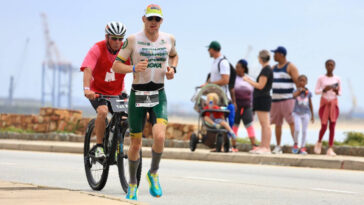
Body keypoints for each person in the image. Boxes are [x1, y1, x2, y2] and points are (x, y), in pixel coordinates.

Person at [112, 4, 178, 200]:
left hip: (158, 93)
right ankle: (132, 185)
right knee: (135, 144)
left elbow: (174, 56)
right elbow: (116, 65)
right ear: (143, 19)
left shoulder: (169, 39)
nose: (153, 23)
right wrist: (133, 68)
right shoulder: (133, 40)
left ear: (161, 21)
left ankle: (153, 173)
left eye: (157, 19)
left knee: (159, 136)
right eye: (150, 19)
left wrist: (172, 70)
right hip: (138, 94)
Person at [81, 21, 128, 158]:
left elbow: (136, 69)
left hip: (117, 92)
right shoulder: (97, 48)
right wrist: (86, 89)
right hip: (98, 92)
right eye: (114, 38)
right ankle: (100, 146)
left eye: (120, 39)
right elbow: (88, 68)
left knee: (125, 118)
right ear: (107, 37)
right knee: (103, 112)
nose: (117, 42)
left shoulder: (126, 50)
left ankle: (115, 142)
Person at [204, 41, 235, 145]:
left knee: (222, 120)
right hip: (214, 97)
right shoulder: (215, 62)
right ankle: (218, 145)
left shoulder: (223, 62)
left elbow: (225, 80)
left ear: (213, 49)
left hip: (222, 98)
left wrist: (211, 84)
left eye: (209, 49)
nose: (208, 51)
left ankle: (225, 145)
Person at [270, 46, 299, 154]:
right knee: (277, 124)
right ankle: (278, 146)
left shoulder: (290, 67)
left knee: (292, 123)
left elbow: (298, 83)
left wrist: (297, 96)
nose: (273, 55)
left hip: (288, 100)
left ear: (281, 54)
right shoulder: (273, 68)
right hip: (276, 100)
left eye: (275, 53)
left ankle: (296, 145)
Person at [244, 50, 273, 154]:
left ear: (260, 58)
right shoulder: (266, 69)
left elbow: (260, 86)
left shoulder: (266, 69)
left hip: (263, 99)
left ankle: (266, 147)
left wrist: (248, 80)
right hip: (261, 99)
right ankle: (262, 146)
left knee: (265, 124)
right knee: (263, 123)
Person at [314, 59, 341, 156]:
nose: (330, 67)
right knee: (324, 125)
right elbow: (316, 91)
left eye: (331, 65)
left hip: (333, 103)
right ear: (325, 66)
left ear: (334, 67)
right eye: (328, 65)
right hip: (324, 103)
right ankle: (319, 142)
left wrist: (336, 90)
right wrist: (324, 89)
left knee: (332, 125)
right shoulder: (321, 78)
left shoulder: (337, 79)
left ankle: (330, 148)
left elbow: (340, 92)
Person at [232, 59, 258, 152]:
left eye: (238, 67)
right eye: (236, 67)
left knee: (249, 125)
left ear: (243, 68)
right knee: (234, 125)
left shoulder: (250, 79)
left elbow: (254, 94)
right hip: (236, 106)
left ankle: (254, 145)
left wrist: (254, 108)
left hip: (247, 106)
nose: (236, 69)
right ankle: (233, 146)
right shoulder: (233, 78)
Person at [292, 75, 314, 154]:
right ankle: (295, 143)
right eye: (300, 81)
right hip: (297, 113)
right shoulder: (295, 91)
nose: (302, 82)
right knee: (297, 129)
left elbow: (310, 104)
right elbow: (293, 96)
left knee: (304, 131)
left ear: (306, 82)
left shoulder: (308, 93)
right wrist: (299, 91)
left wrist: (312, 116)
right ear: (297, 82)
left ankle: (302, 147)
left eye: (303, 81)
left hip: (306, 113)